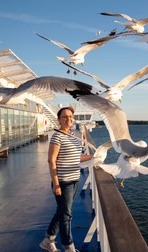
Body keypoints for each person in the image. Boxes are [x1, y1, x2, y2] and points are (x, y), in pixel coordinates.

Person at [40, 107, 93, 252]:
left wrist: (95, 156)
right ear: (59, 119)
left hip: (75, 180)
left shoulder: (73, 136)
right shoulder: (57, 136)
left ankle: (48, 240)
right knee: (66, 216)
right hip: (63, 182)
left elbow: (77, 158)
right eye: (64, 117)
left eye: (70, 116)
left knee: (62, 212)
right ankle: (68, 246)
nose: (68, 119)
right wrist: (56, 184)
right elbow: (51, 160)